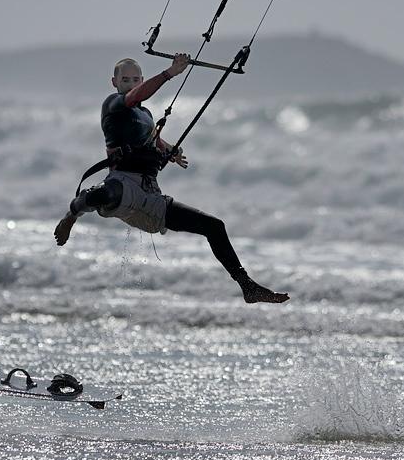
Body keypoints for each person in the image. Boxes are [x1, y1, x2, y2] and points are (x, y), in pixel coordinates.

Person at [54, 54, 289, 304]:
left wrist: (170, 151)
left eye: (135, 79)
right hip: (122, 183)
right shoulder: (114, 104)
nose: (131, 84)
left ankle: (248, 286)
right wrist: (170, 73)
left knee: (214, 226)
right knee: (101, 194)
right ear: (114, 82)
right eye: (125, 79)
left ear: (141, 79)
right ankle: (70, 216)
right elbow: (136, 96)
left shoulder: (144, 115)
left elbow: (153, 140)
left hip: (150, 194)